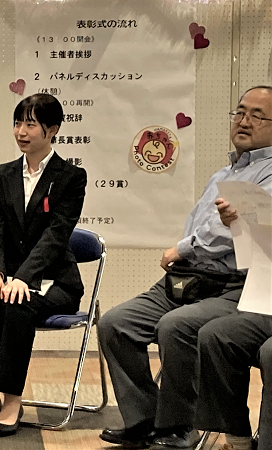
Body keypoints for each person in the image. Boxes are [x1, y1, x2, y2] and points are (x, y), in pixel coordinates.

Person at [98, 85, 272, 450]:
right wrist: (187, 251)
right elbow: (204, 225)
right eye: (240, 112)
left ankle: (181, 426)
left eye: (257, 116)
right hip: (188, 276)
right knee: (115, 323)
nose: (244, 121)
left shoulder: (269, 173)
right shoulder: (222, 173)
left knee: (176, 326)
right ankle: (145, 418)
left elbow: (229, 235)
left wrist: (183, 247)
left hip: (232, 283)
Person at [0, 93, 86, 437]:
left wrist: (23, 277)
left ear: (53, 130)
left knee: (16, 308)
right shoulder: (1, 175)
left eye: (31, 124)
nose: (21, 131)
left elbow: (56, 235)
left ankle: (12, 400)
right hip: (10, 281)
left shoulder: (71, 177)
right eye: (18, 123)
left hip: (56, 282)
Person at [195, 136, 272, 450]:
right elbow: (261, 246)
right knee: (216, 335)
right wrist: (239, 223)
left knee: (271, 353)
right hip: (267, 296)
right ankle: (239, 441)